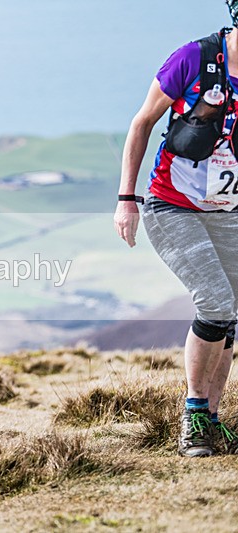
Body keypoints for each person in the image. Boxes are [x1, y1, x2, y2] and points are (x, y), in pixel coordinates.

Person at [115, 2, 238, 457]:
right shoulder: (194, 58)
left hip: (229, 211)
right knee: (216, 301)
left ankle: (213, 421)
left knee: (231, 313)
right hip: (173, 206)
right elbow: (142, 121)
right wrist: (127, 199)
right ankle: (191, 417)